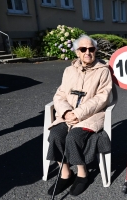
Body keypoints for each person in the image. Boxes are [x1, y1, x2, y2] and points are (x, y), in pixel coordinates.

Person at [46, 35, 112, 197]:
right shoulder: (69, 71)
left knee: (73, 137)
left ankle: (83, 174)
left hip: (92, 116)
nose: (87, 52)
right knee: (55, 134)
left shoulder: (103, 71)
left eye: (91, 49)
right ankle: (66, 174)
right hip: (68, 115)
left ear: (95, 50)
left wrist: (79, 113)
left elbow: (102, 98)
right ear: (77, 52)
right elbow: (60, 95)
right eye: (83, 49)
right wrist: (67, 112)